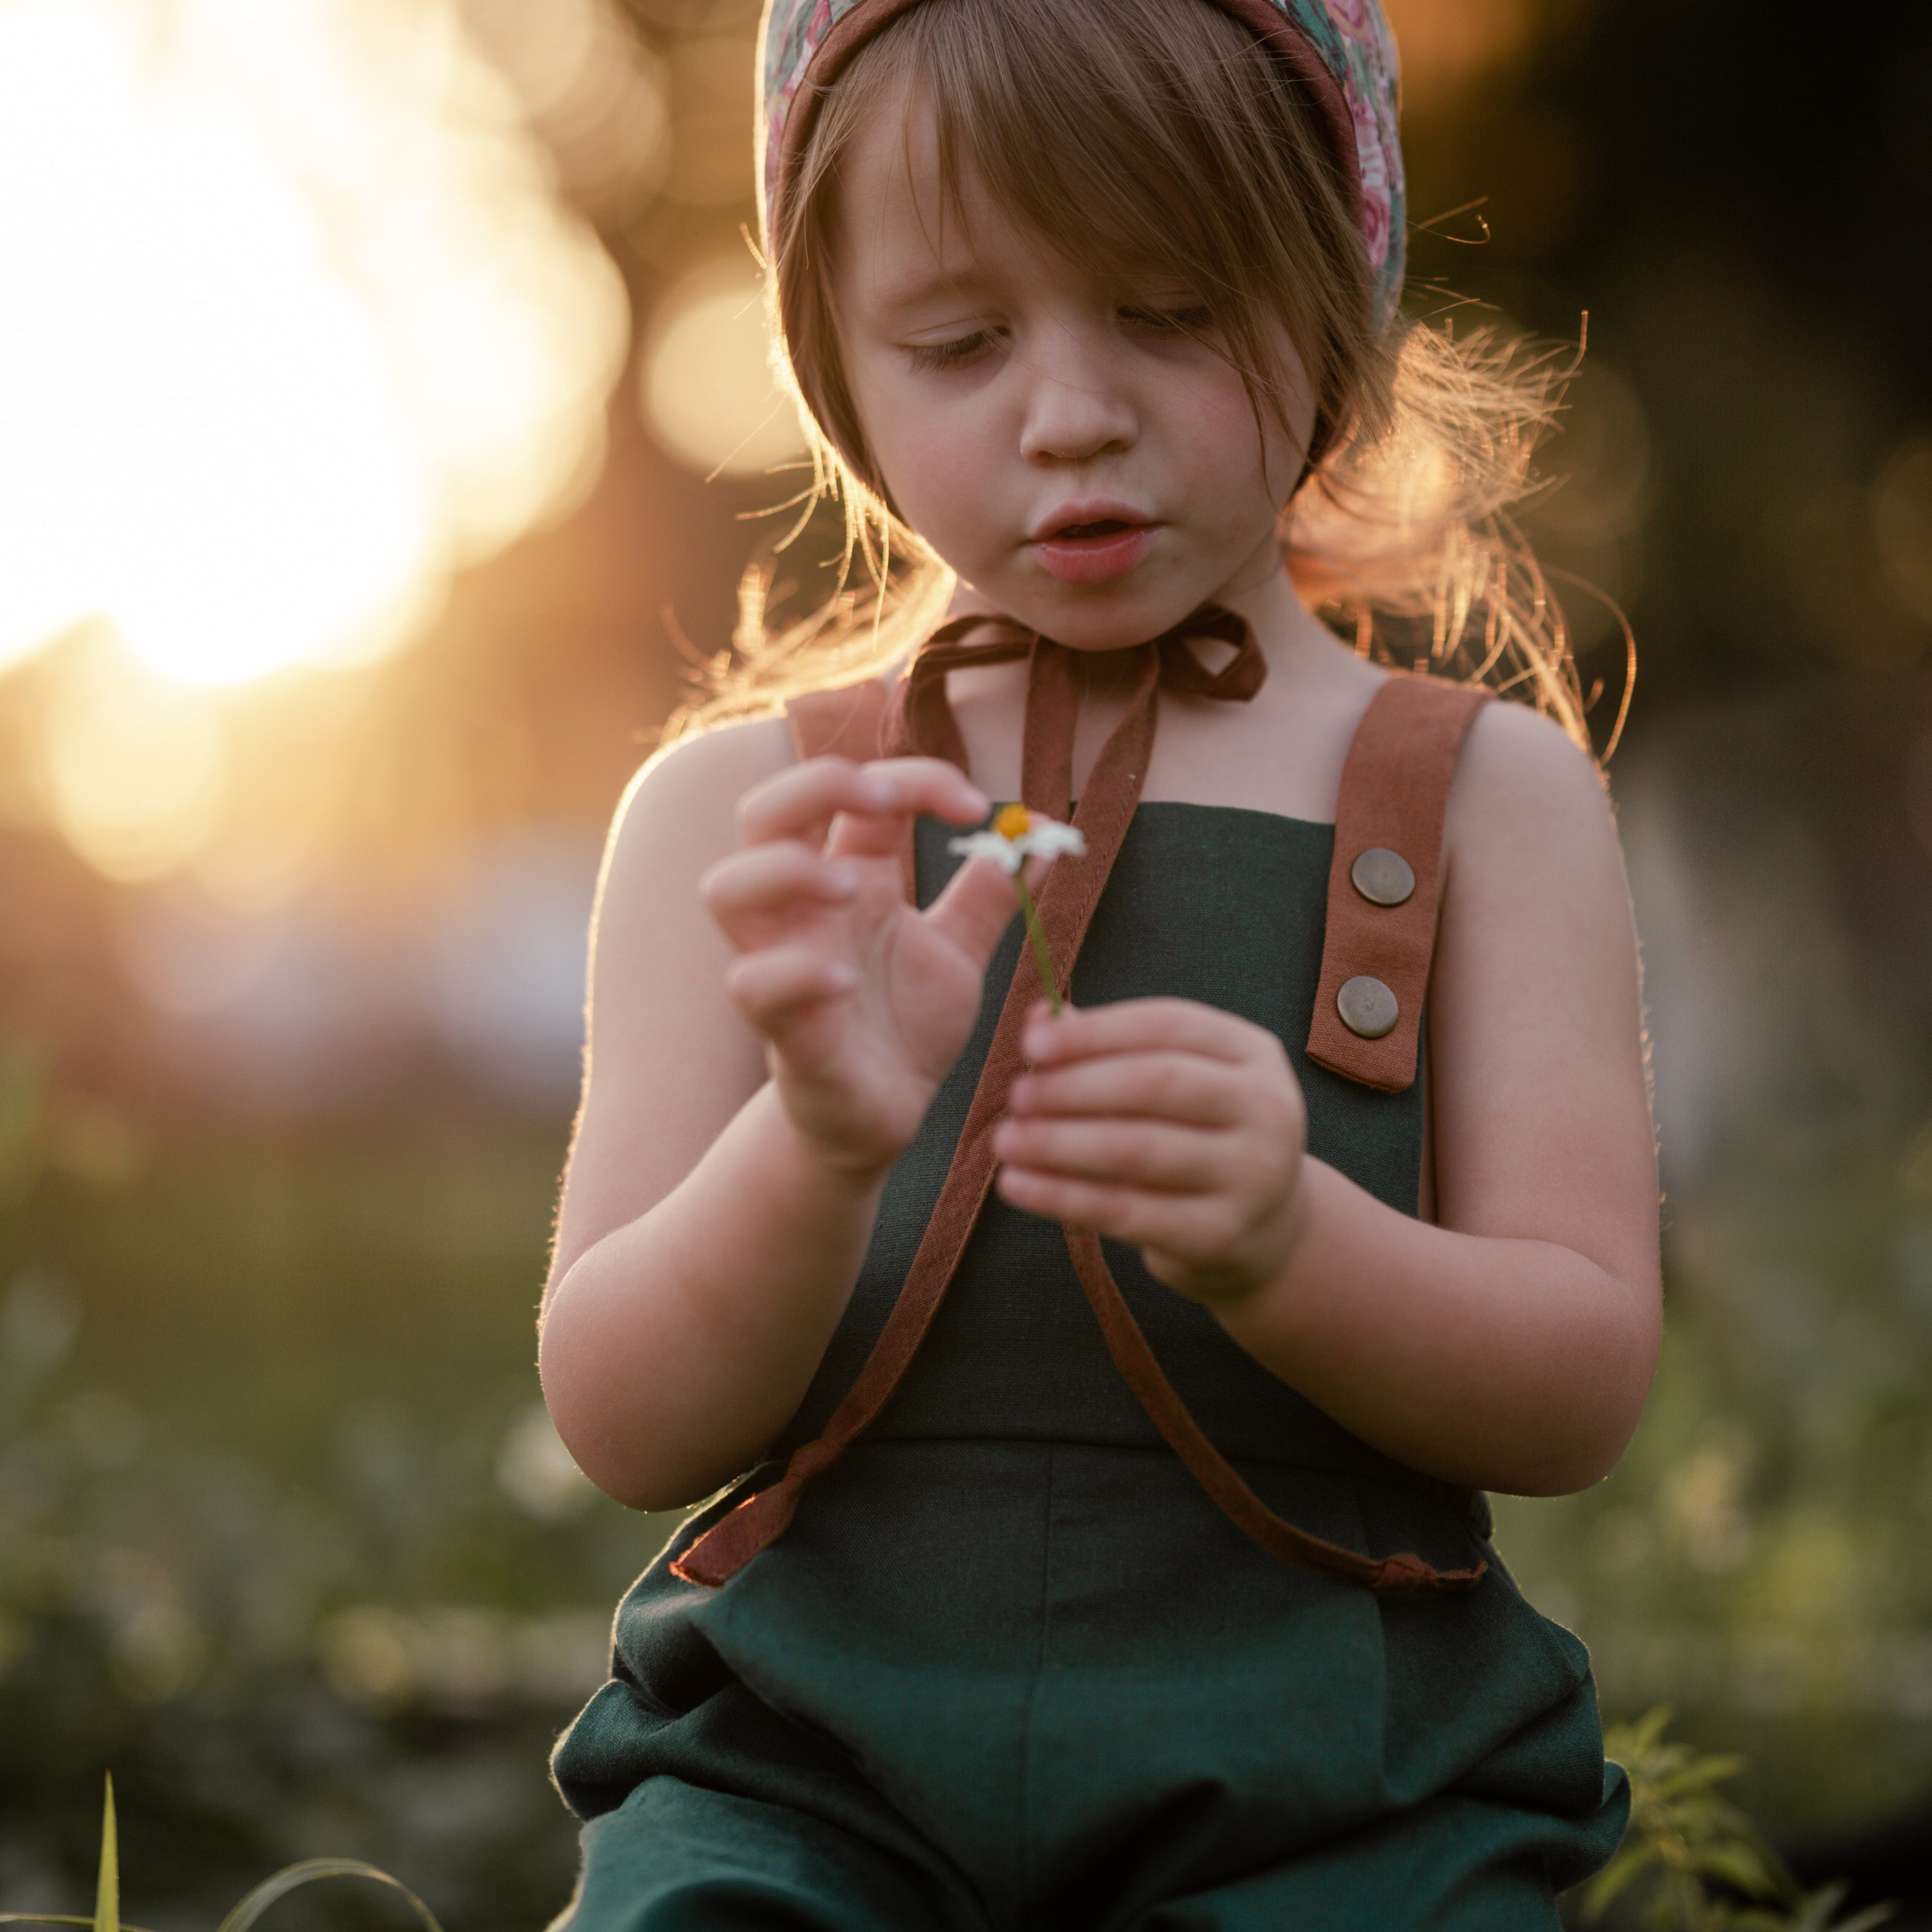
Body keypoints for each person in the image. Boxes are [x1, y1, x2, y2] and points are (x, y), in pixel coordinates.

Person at [536, 0, 1661, 1922]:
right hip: (811, 1785)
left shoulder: (1487, 802)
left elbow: (1573, 1383)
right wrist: (813, 1144)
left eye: (1169, 310)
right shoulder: (743, 821)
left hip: (1348, 1791)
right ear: (833, 362)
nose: (1069, 408)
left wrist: (1287, 1240)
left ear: (1334, 295)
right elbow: (623, 1417)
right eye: (962, 340)